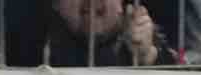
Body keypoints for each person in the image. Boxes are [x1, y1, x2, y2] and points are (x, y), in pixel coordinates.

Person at [45, 0, 176, 66]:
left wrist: (148, 57)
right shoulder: (38, 47)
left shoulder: (149, 41)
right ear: (56, 3)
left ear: (121, 3)